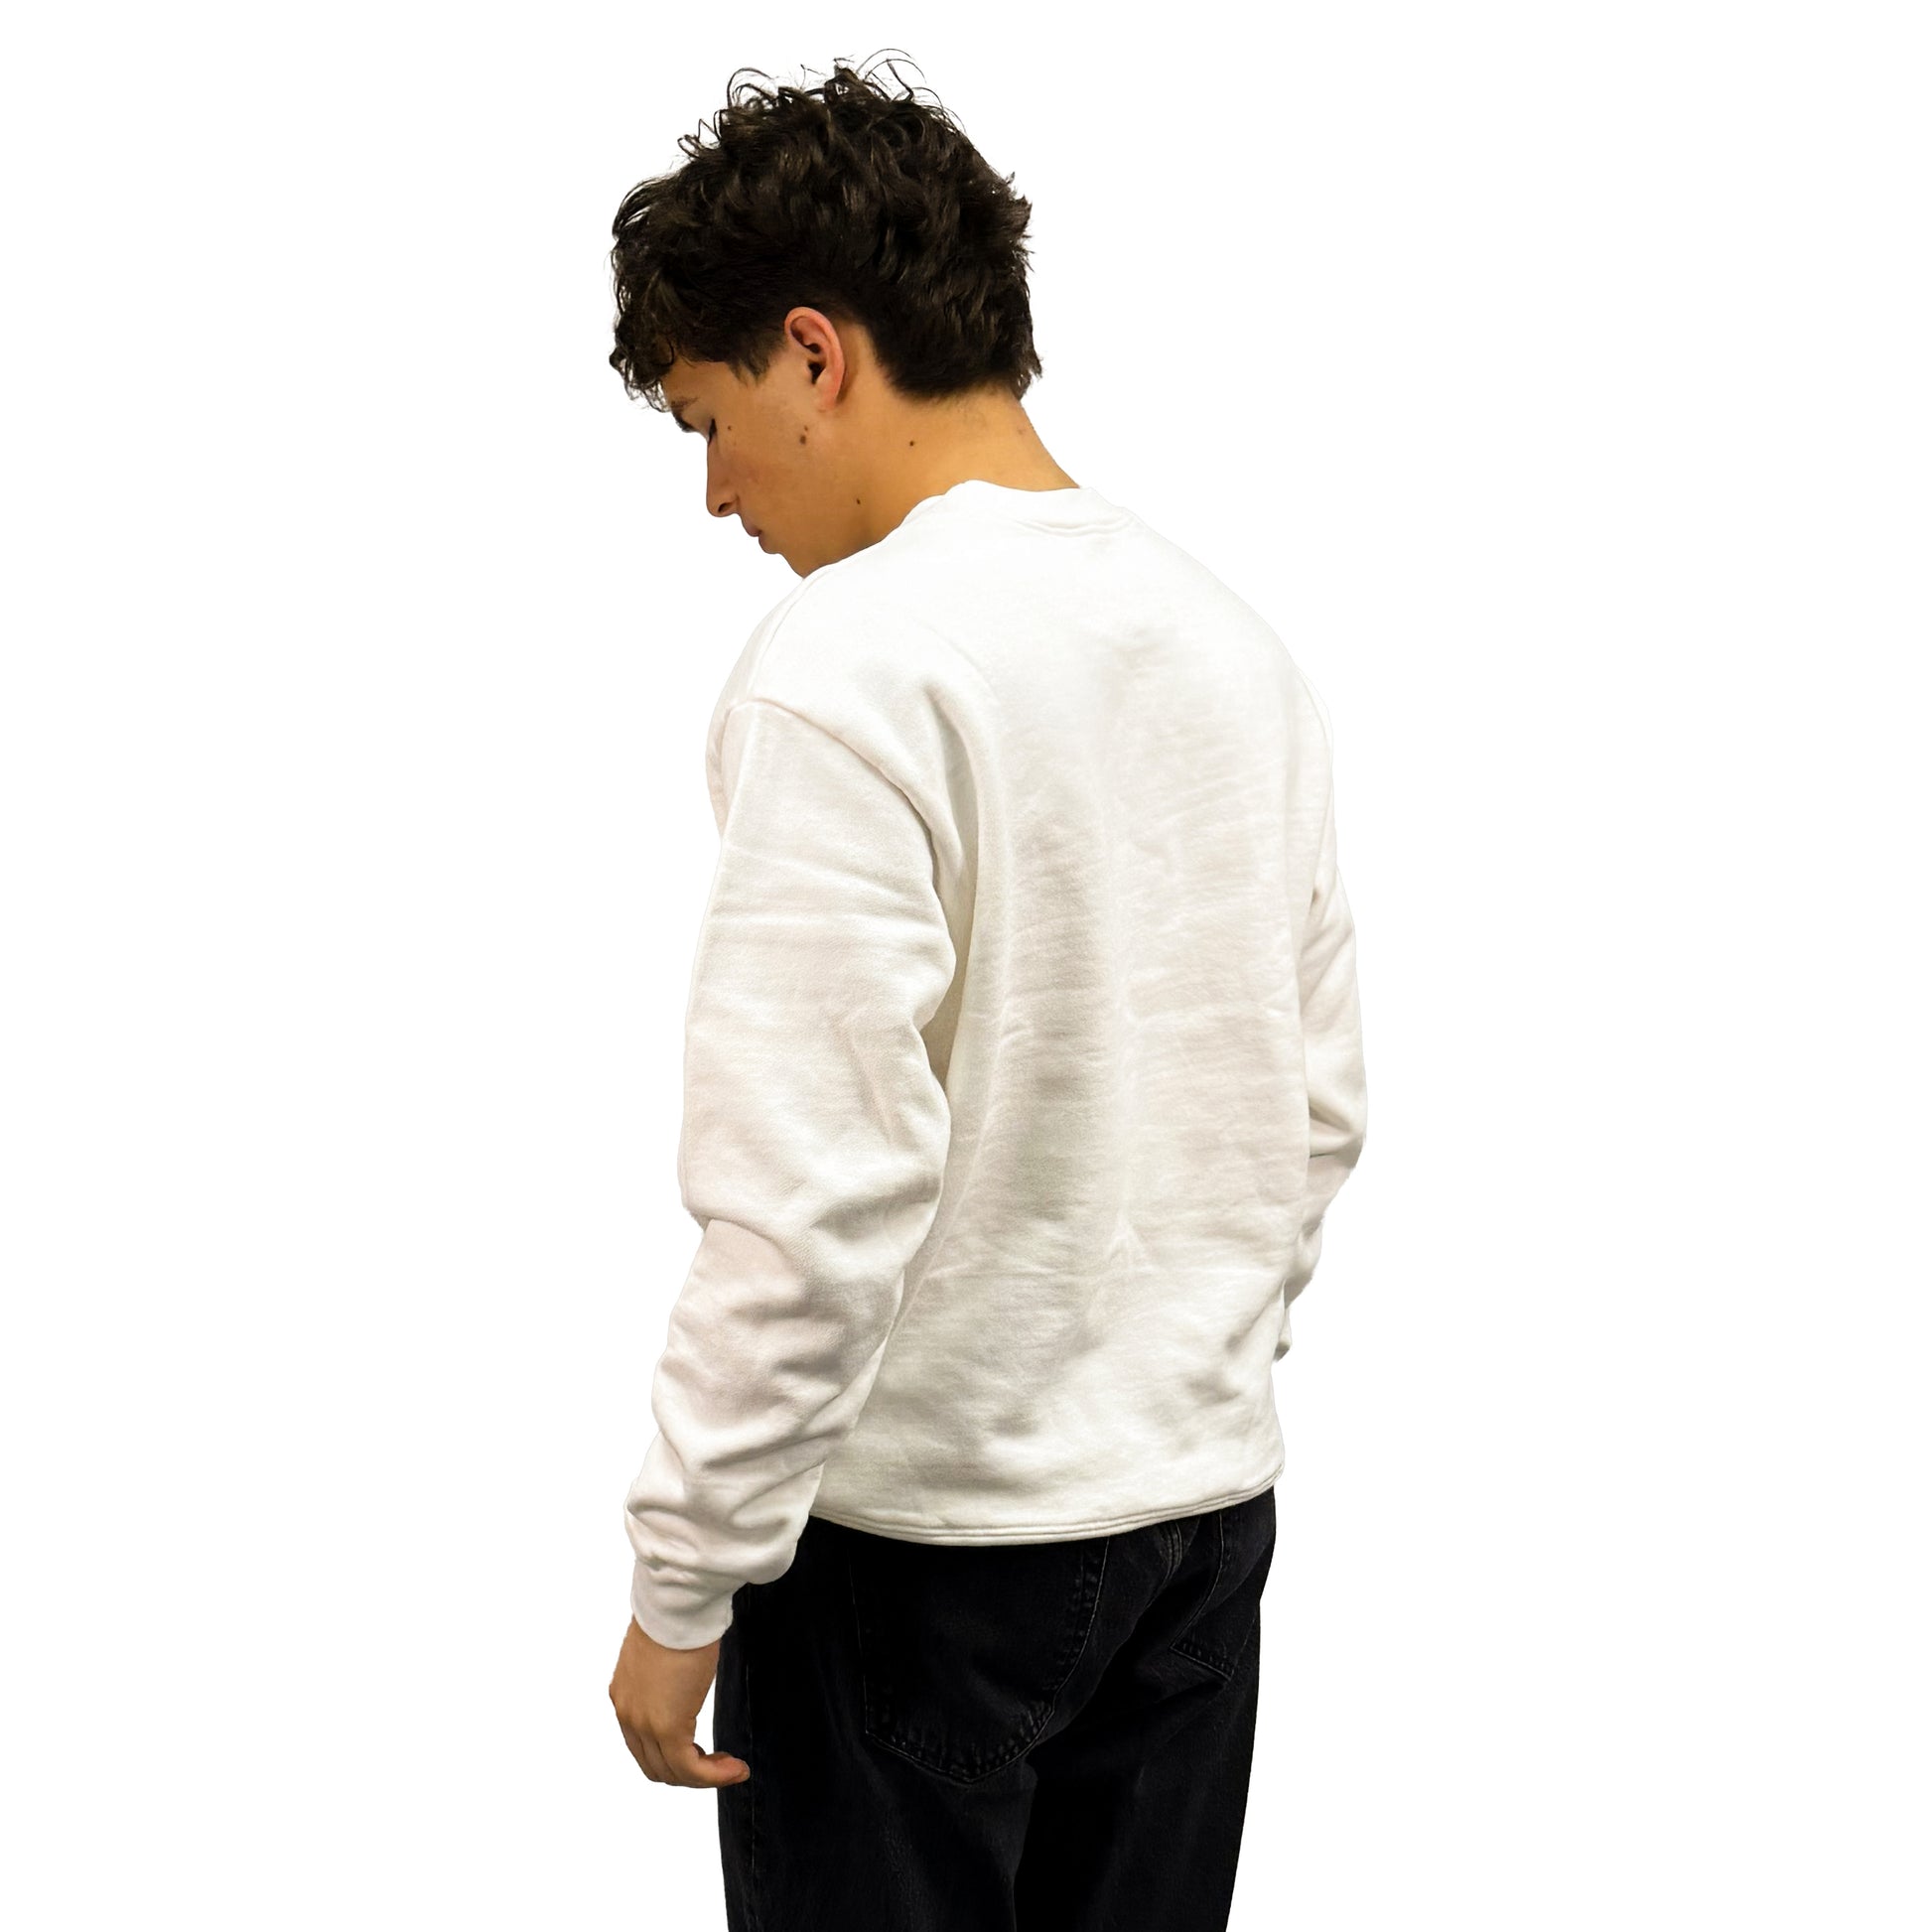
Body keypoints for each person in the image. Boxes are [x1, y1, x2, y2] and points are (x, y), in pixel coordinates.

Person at [603, 55, 1369, 1931]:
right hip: (1198, 1532)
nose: (714, 493)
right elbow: (1312, 1104)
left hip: (920, 1562)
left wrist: (683, 1578)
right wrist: (1170, 1387)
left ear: (814, 352)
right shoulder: (1230, 644)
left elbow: (812, 1195)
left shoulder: (851, 663)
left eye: (710, 421)